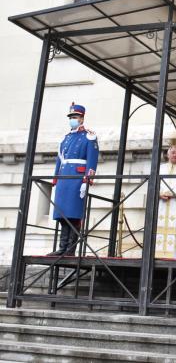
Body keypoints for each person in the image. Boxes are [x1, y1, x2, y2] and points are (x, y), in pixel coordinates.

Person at [49, 103, 99, 256]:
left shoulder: (89, 136)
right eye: (71, 117)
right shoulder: (66, 138)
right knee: (62, 214)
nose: (73, 119)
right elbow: (59, 160)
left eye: (75, 117)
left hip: (77, 178)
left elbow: (92, 159)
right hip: (64, 178)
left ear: (82, 118)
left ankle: (70, 249)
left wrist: (87, 180)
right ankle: (62, 247)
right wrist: (55, 179)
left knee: (74, 214)